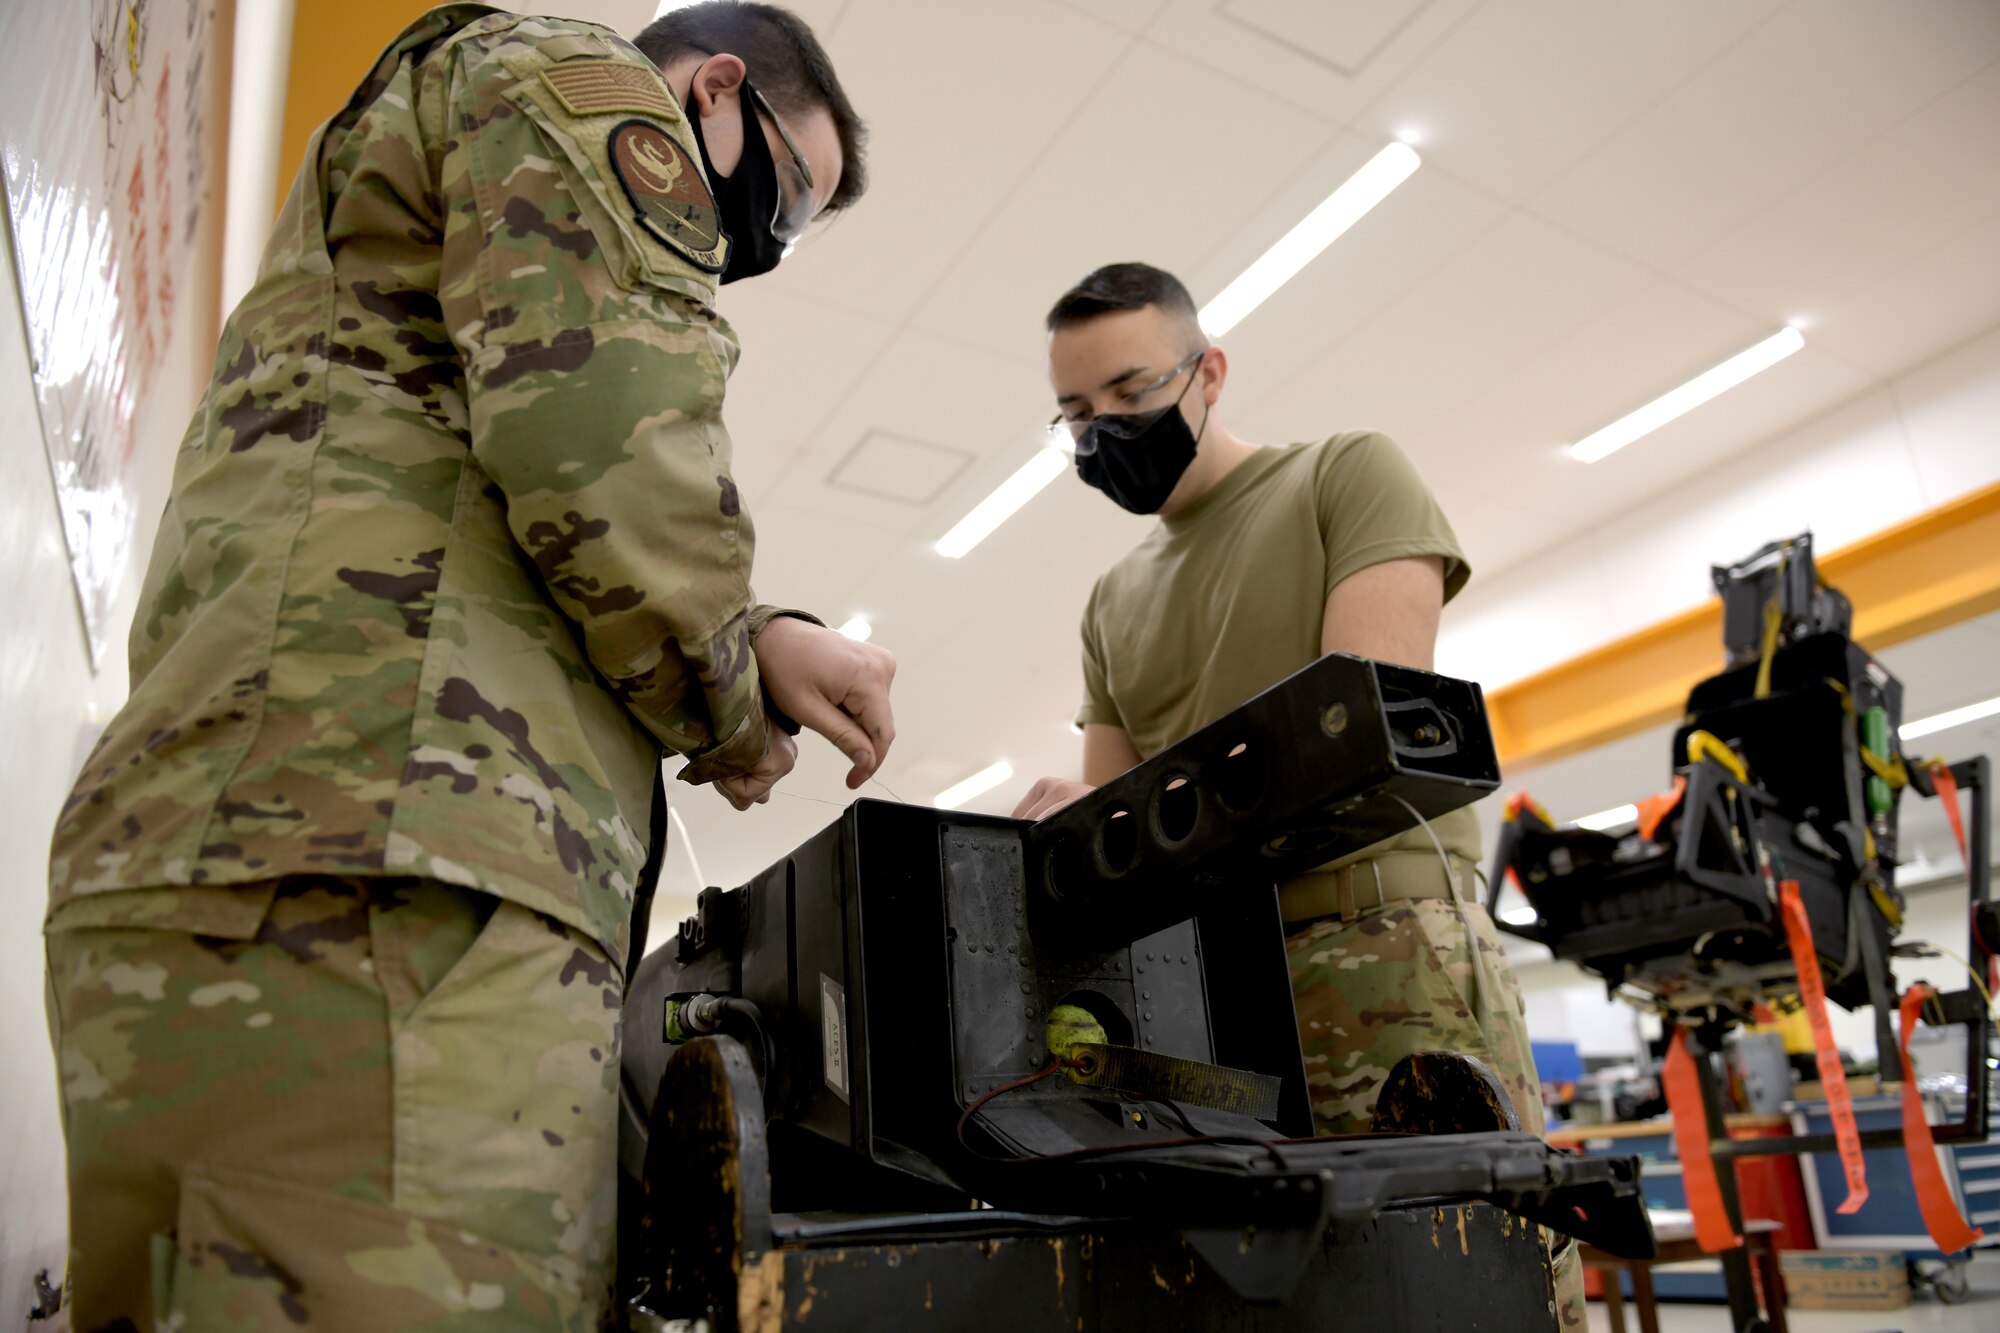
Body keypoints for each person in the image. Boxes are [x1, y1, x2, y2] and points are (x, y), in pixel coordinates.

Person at [44, 3, 885, 1326]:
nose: (763, 245)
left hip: (267, 855)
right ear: (717, 88)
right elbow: (602, 449)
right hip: (392, 875)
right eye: (786, 194)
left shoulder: (414, 163)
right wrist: (731, 709)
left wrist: (756, 633)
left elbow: (486, 465)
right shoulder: (583, 80)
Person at [1011, 261, 1579, 1326]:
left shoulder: (1343, 475)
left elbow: (1354, 745)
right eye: (1075, 415)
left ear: (1208, 371)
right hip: (1215, 998)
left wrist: (1138, 801)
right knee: (1294, 1305)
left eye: (1130, 394)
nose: (1104, 431)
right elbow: (1126, 843)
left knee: (1476, 1279)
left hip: (1380, 947)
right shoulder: (1110, 598)